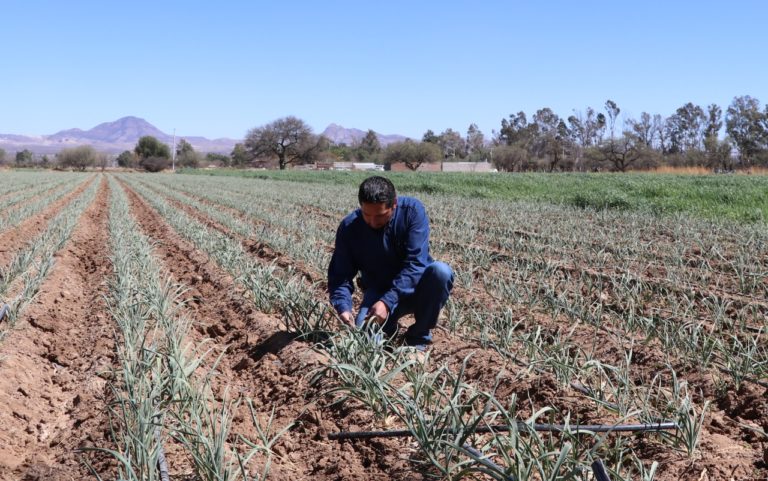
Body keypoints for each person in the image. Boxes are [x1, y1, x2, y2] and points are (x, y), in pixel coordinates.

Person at [327, 176, 454, 350]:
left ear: (394, 204)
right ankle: (388, 327)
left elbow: (416, 264)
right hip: (378, 291)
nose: (372, 222)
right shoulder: (350, 228)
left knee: (441, 272)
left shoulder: (411, 211)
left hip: (416, 288)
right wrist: (343, 307)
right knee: (368, 342)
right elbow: (340, 275)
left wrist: (388, 301)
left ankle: (418, 337)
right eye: (366, 215)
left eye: (380, 216)